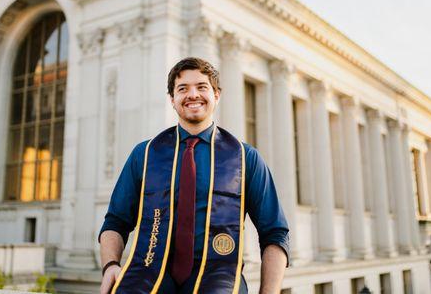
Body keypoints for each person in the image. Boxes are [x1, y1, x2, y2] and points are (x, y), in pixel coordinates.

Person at [99, 57, 289, 294]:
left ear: (216, 95)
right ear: (172, 99)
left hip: (220, 275)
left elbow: (274, 232)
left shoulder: (245, 158)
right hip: (149, 273)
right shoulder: (145, 154)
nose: (193, 95)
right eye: (182, 89)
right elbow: (116, 221)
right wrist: (110, 265)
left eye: (201, 87)